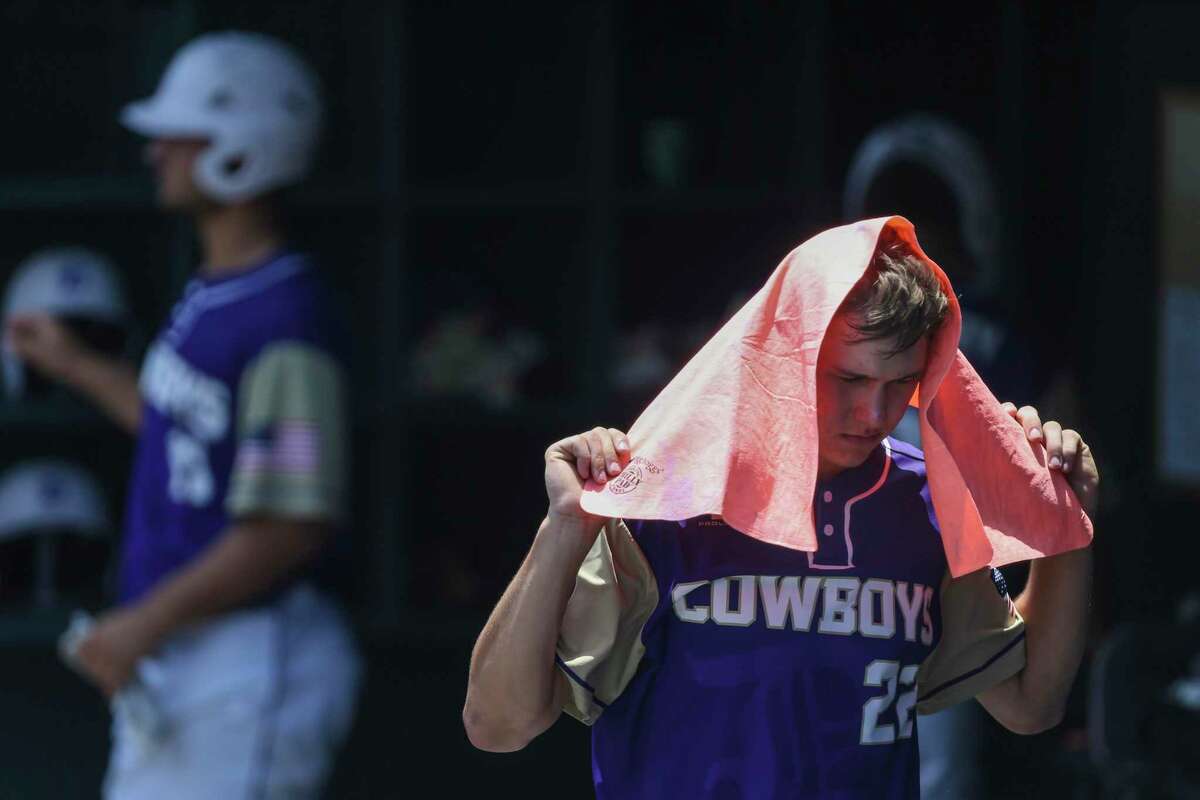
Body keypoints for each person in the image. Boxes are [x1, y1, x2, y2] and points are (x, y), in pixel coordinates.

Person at [463, 218, 1097, 798]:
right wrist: (564, 526)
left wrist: (1066, 523)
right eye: (848, 379)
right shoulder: (662, 500)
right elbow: (498, 724)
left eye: (900, 383)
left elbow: (1028, 705)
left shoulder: (926, 505)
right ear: (786, 355)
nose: (875, 415)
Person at [6, 31, 360, 799]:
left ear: (245, 144)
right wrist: (73, 364)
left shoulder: (285, 317)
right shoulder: (215, 289)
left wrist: (142, 624)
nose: (156, 151)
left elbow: (293, 524)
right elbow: (185, 437)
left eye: (179, 132)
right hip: (194, 651)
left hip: (250, 652)